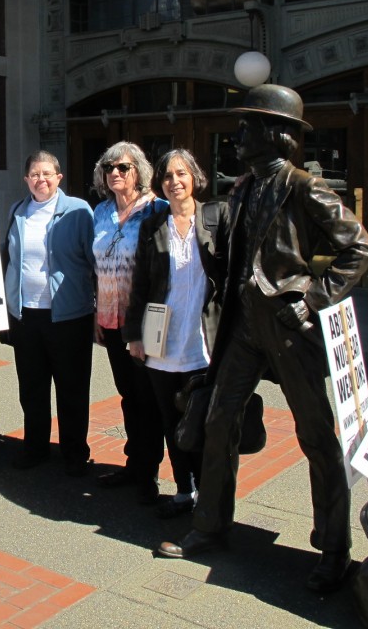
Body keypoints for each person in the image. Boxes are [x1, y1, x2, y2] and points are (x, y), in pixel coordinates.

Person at [157, 85, 368, 595]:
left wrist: (314, 297)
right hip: (243, 324)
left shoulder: (303, 186)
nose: (237, 135)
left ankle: (334, 549)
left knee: (317, 435)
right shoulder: (242, 188)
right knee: (217, 419)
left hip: (287, 325)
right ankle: (211, 525)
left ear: (274, 134)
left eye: (247, 126)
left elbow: (359, 248)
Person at [123, 149, 223, 517]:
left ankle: (209, 494)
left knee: (204, 422)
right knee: (172, 422)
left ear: (195, 176)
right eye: (166, 176)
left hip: (203, 341)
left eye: (181, 174)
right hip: (162, 339)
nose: (174, 182)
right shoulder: (154, 225)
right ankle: (184, 489)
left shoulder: (216, 218)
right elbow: (141, 285)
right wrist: (135, 335)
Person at [3, 150, 95, 476]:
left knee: (71, 387)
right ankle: (36, 447)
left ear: (59, 177)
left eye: (47, 174)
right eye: (34, 174)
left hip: (69, 316)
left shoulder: (78, 211)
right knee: (32, 387)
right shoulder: (17, 211)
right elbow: (8, 260)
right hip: (27, 315)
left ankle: (74, 452)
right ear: (26, 179)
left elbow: (93, 261)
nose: (40, 179)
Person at [91, 141, 169, 502]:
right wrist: (96, 310)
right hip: (109, 317)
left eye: (123, 167)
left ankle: (149, 472)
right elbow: (95, 266)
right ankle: (133, 463)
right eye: (109, 168)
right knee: (127, 396)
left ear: (139, 170)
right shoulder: (101, 212)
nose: (115, 174)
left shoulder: (157, 210)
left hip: (144, 321)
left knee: (148, 398)